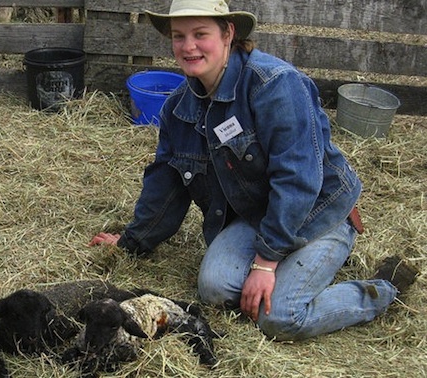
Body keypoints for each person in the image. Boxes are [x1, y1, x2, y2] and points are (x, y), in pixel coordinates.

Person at [89, 0, 419, 341]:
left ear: (228, 33)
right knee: (214, 289)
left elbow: (298, 180)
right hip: (259, 214)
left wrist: (265, 262)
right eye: (178, 36)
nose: (188, 46)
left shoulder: (275, 86)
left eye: (200, 34)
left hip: (319, 211)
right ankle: (300, 266)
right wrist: (130, 243)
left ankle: (383, 286)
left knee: (278, 318)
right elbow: (165, 184)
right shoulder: (178, 109)